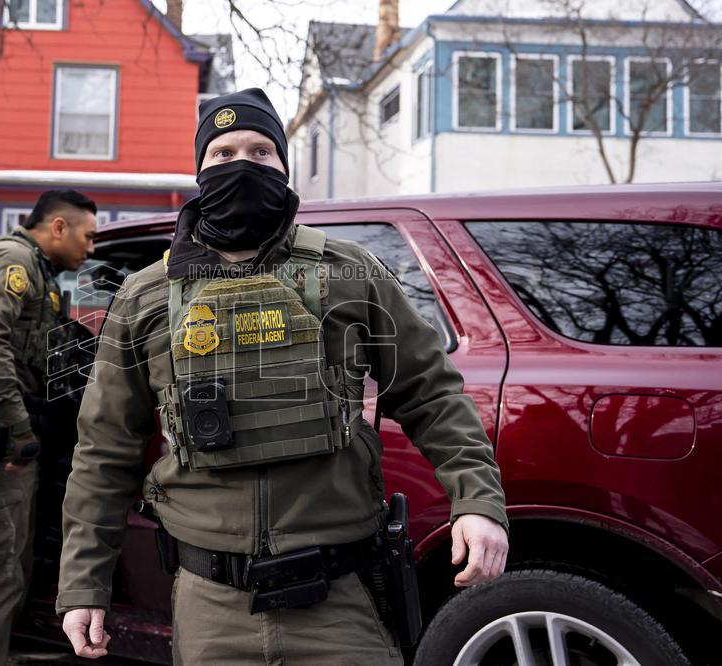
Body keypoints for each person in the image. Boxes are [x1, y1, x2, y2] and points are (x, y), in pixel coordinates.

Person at [57, 89, 509, 664]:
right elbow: (104, 448)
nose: (241, 164)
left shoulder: (349, 272)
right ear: (199, 169)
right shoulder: (147, 294)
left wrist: (476, 500)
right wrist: (83, 585)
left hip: (339, 605)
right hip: (210, 606)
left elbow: (431, 393)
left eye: (260, 151)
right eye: (222, 153)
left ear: (284, 166)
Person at [0, 189, 96, 666]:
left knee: (14, 562)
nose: (91, 249)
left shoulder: (38, 270)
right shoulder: (13, 263)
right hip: (2, 439)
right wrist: (20, 427)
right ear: (57, 227)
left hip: (17, 435)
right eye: (88, 237)